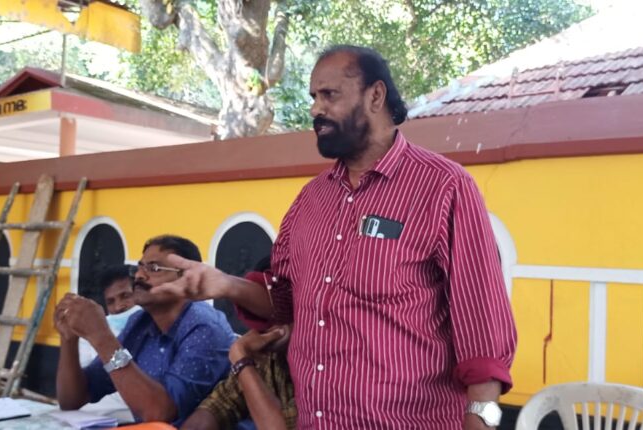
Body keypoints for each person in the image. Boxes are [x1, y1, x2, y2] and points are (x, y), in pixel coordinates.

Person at [156, 45, 517, 429]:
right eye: (314, 97)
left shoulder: (443, 187)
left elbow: (483, 326)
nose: (316, 109)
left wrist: (482, 419)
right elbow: (285, 301)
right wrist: (227, 285)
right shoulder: (311, 199)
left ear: (375, 95)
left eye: (329, 95)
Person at [54, 235, 236, 428]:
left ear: (187, 279)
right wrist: (69, 338)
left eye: (154, 268)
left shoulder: (205, 327)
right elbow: (72, 399)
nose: (140, 276)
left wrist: (101, 337)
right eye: (139, 268)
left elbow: (159, 414)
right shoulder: (140, 323)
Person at [182, 265, 296, 430]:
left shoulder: (325, 362)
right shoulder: (266, 355)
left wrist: (241, 360)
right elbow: (220, 404)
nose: (266, 325)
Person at [78, 264, 141, 367]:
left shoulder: (155, 328)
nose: (118, 307)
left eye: (125, 296)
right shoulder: (91, 332)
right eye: (110, 302)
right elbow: (88, 373)